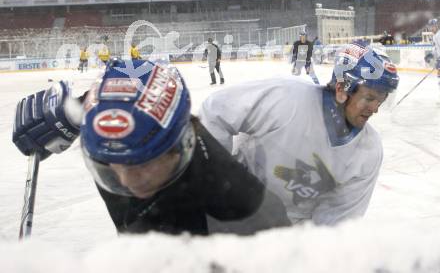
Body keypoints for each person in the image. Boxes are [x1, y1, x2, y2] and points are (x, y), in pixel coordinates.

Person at [12, 59, 289, 235]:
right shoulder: (102, 118)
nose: (126, 180)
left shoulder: (241, 202)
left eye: (142, 164)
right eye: (107, 165)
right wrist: (62, 114)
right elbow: (122, 87)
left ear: (181, 146)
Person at [199, 42, 399, 226]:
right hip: (234, 209)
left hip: (287, 237)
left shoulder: (368, 152)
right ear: (341, 89)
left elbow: (336, 224)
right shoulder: (286, 97)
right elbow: (216, 112)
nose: (375, 109)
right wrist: (220, 183)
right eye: (369, 98)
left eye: (380, 100)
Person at [427, 18, 440, 103]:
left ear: (437, 26)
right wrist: (431, 54)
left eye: (433, 26)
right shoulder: (435, 36)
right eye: (430, 27)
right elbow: (436, 48)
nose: (431, 28)